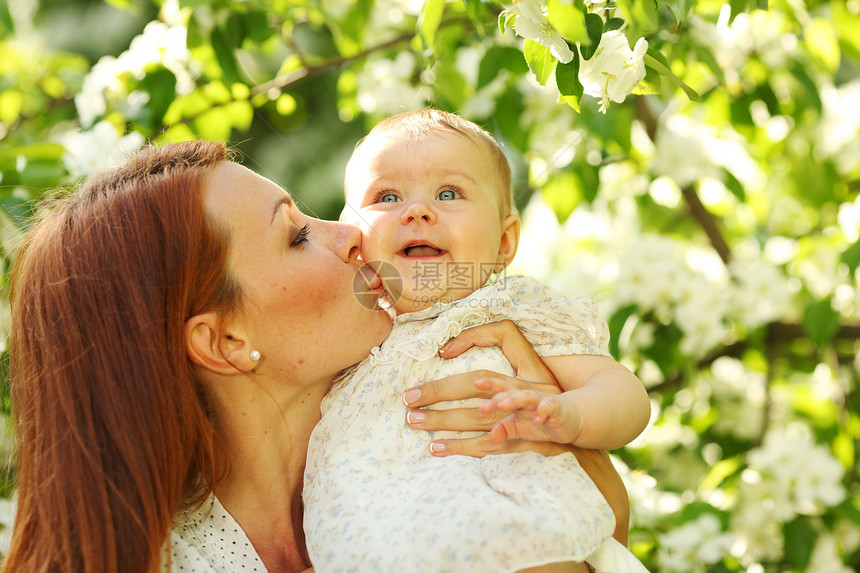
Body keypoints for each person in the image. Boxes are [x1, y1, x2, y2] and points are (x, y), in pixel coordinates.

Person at [2, 140, 629, 573]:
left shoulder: (445, 390)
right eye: (298, 235)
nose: (351, 234)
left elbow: (601, 523)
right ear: (224, 343)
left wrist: (571, 450)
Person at [303, 109, 651, 572]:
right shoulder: (351, 336)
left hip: (517, 531)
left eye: (449, 193)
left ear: (505, 243)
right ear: (353, 236)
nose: (417, 210)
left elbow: (621, 391)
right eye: (387, 196)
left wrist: (574, 417)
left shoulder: (513, 307)